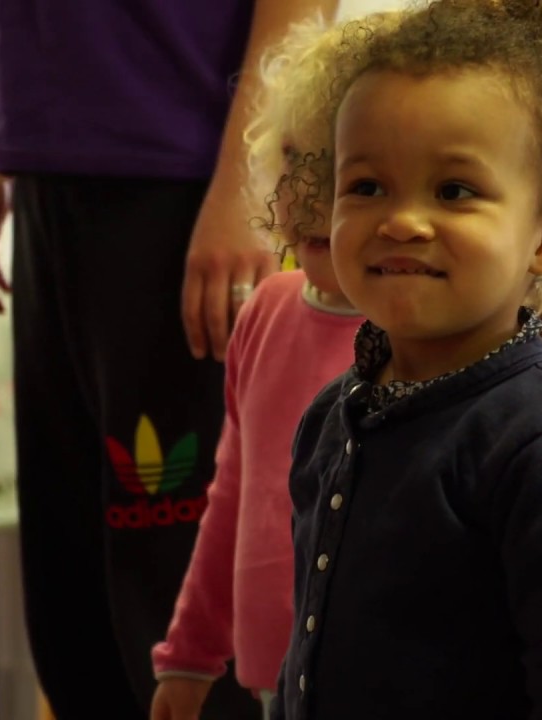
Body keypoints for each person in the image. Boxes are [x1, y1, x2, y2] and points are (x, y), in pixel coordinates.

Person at [0, 0, 336, 717]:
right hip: (45, 178)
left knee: (171, 590)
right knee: (72, 584)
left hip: (177, 180)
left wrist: (250, 177)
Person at [272, 1, 542, 718]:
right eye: (367, 186)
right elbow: (307, 654)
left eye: (454, 191)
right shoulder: (334, 414)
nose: (402, 221)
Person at [147, 14, 396, 720]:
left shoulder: (422, 335)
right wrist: (189, 655)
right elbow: (232, 494)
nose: (308, 196)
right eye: (293, 160)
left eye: (346, 168)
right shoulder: (267, 312)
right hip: (271, 682)